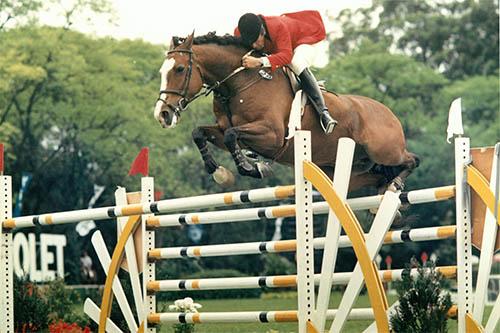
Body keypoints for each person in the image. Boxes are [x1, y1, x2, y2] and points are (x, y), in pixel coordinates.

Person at [235, 11, 337, 134]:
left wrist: (260, 61)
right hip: (284, 44)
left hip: (307, 38)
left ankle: (324, 113)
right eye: (250, 43)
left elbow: (286, 56)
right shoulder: (240, 32)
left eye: (256, 41)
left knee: (296, 62)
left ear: (263, 31)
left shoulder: (277, 26)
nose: (254, 46)